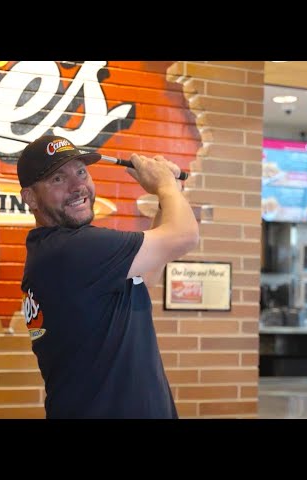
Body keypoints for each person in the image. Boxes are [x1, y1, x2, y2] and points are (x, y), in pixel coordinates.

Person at [17, 135, 199, 419]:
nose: (77, 186)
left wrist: (169, 192)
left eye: (81, 172)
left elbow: (147, 274)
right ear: (30, 198)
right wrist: (164, 185)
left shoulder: (56, 253)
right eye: (57, 179)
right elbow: (184, 236)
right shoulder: (73, 250)